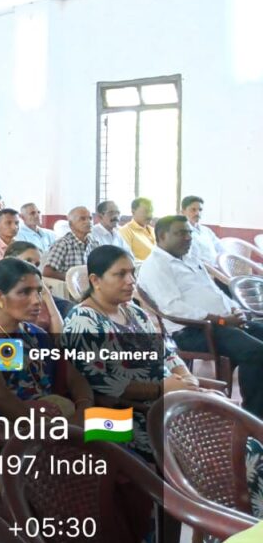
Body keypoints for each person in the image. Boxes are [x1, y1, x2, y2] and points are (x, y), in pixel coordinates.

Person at [63, 245, 211, 459]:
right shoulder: (84, 321)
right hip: (132, 414)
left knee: (229, 424)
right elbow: (100, 383)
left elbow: (166, 353)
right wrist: (160, 390)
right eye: (120, 274)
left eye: (132, 272)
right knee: (216, 443)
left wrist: (187, 378)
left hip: (169, 400)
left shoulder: (134, 312)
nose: (131, 280)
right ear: (95, 280)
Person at [0, 258, 94, 468]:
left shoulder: (32, 333)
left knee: (123, 431)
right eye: (24, 292)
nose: (37, 300)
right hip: (4, 431)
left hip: (50, 418)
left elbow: (73, 377)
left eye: (39, 291)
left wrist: (84, 409)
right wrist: (58, 431)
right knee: (105, 450)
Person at [138, 215, 263, 418]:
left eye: (189, 232)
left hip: (222, 323)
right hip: (193, 331)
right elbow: (173, 308)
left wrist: (234, 309)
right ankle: (253, 417)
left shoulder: (190, 258)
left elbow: (215, 291)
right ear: (161, 236)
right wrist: (220, 320)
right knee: (256, 352)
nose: (188, 237)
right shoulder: (156, 266)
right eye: (181, 233)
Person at [0, 241, 66, 333]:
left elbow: (59, 338)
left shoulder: (37, 292)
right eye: (27, 261)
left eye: (37, 264)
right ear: (8, 261)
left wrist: (47, 296)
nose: (33, 267)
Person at [42, 206, 100, 281]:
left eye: (90, 218)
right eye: (82, 219)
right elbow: (47, 272)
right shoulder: (63, 244)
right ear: (71, 224)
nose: (88, 222)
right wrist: (73, 279)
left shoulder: (94, 244)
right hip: (69, 286)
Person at [182, 195, 224, 266]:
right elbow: (189, 260)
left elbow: (220, 247)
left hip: (218, 267)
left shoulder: (206, 230)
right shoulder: (182, 233)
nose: (197, 213)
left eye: (200, 210)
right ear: (183, 212)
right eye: (193, 210)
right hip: (200, 270)